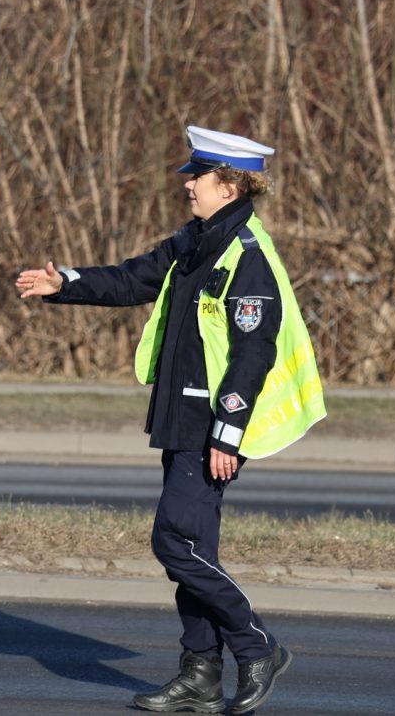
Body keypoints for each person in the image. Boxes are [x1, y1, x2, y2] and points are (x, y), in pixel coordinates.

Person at [16, 126, 326, 714]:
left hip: (210, 426)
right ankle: (200, 671)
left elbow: (252, 354)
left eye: (198, 175)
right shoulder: (198, 239)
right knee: (195, 548)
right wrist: (65, 283)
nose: (187, 183)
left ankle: (257, 645)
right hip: (179, 417)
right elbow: (135, 277)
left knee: (174, 541)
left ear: (229, 185)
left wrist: (228, 436)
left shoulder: (248, 258)